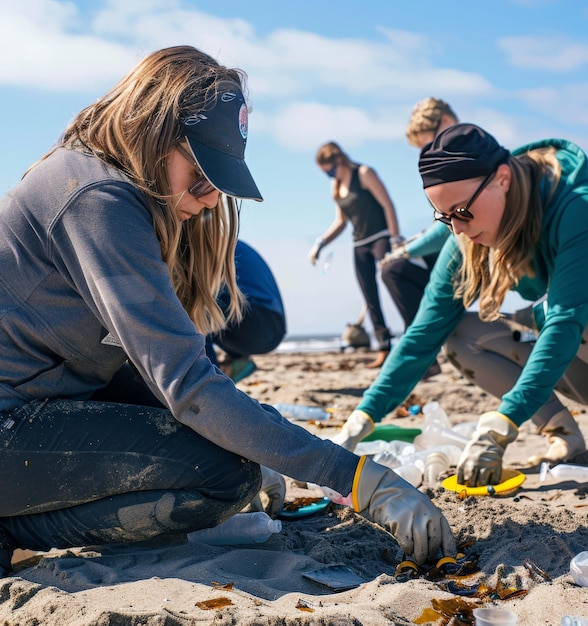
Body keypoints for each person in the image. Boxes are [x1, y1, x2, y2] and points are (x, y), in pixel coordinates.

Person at [0, 45, 456, 576]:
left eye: (216, 181)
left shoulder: (108, 185)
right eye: (199, 172)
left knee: (231, 454)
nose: (210, 197)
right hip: (13, 423)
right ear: (152, 132)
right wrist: (356, 479)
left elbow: (147, 377)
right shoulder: (96, 199)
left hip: (40, 405)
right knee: (221, 477)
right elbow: (189, 388)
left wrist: (264, 444)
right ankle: (12, 528)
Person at [333, 122, 588, 486]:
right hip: (582, 364)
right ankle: (563, 434)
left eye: (462, 211)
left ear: (503, 179)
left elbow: (565, 322)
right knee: (458, 334)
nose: (456, 228)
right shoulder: (467, 237)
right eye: (445, 217)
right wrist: (362, 418)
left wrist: (502, 423)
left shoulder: (585, 206)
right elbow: (423, 334)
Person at [310, 142, 403, 368]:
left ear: (338, 160)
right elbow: (341, 222)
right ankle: (383, 348)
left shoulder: (363, 173)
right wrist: (320, 243)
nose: (328, 174)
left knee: (395, 285)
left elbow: (388, 205)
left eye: (329, 169)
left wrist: (395, 237)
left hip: (381, 237)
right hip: (359, 243)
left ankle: (414, 337)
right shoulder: (336, 186)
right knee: (369, 297)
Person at [381, 97, 458, 331]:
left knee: (394, 268)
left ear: (446, 121)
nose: (428, 154)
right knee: (394, 267)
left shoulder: (461, 156)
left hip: (473, 249)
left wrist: (407, 251)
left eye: (429, 144)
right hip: (457, 243)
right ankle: (424, 337)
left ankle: (424, 341)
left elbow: (452, 224)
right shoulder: (444, 158)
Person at [206, 240, 287, 383]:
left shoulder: (201, 241)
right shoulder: (227, 238)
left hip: (257, 321)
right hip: (275, 327)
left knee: (193, 302)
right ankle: (237, 360)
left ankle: (210, 379)